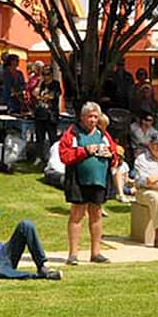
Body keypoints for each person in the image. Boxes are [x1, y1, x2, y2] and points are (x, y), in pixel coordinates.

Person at [59, 101, 119, 265]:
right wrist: (85, 151)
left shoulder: (103, 135)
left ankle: (96, 253)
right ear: (82, 117)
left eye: (95, 116)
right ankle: (73, 254)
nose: (93, 120)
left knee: (96, 214)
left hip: (99, 180)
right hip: (78, 179)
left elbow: (115, 155)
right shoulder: (73, 132)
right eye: (90, 116)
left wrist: (110, 155)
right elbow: (64, 155)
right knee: (77, 214)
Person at [31, 65, 62, 164]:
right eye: (43, 74)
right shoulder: (41, 85)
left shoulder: (55, 84)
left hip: (50, 115)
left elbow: (51, 96)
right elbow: (34, 94)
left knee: (52, 137)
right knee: (39, 137)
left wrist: (40, 97)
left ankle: (54, 157)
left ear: (51, 75)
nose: (45, 76)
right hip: (40, 114)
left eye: (47, 74)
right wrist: (39, 84)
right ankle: (39, 157)